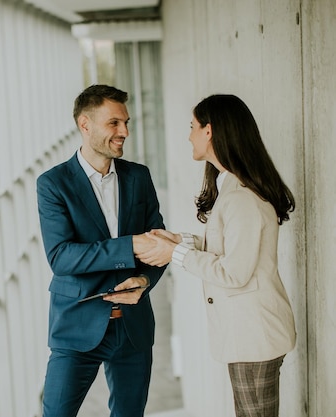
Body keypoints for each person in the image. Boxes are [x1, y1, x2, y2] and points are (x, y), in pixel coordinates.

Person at [138, 94, 296, 417]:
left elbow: (233, 272)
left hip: (255, 338)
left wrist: (176, 253)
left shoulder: (243, 197)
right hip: (249, 337)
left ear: (209, 131)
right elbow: (231, 248)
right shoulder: (234, 188)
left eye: (192, 126)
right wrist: (180, 240)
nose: (189, 135)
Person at [36, 84, 167, 417]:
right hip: (76, 326)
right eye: (114, 123)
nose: (124, 131)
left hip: (133, 329)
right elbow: (61, 257)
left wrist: (145, 280)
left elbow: (159, 244)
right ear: (85, 124)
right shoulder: (53, 184)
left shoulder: (139, 177)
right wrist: (130, 246)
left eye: (126, 122)